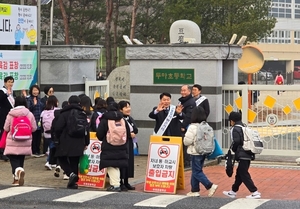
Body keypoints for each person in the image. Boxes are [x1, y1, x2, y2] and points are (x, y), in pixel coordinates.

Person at [54, 95, 90, 189]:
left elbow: (58, 128)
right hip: (79, 141)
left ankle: (71, 174)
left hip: (65, 140)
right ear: (79, 103)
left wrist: (57, 139)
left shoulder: (64, 114)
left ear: (69, 103)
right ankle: (73, 183)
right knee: (74, 160)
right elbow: (86, 130)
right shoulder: (82, 113)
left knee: (61, 158)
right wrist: (86, 142)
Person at [223, 111, 261, 199]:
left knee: (243, 174)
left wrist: (233, 149)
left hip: (243, 153)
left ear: (232, 121)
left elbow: (237, 141)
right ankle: (233, 191)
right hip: (248, 152)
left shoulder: (235, 128)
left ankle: (255, 192)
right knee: (239, 173)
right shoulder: (244, 126)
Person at [183, 106, 218, 197]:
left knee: (196, 171)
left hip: (195, 152)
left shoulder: (192, 127)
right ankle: (194, 190)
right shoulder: (207, 126)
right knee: (196, 170)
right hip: (204, 151)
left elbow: (187, 141)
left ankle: (210, 186)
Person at [96, 102, 130, 192]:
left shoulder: (105, 119)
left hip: (109, 145)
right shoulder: (122, 119)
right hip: (122, 146)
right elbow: (128, 134)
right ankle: (116, 184)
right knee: (117, 165)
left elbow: (99, 135)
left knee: (111, 165)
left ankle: (115, 185)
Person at [3, 96, 37, 186]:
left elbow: (6, 128)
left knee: (13, 159)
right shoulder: (29, 114)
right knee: (21, 159)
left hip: (13, 140)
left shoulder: (11, 114)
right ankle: (17, 176)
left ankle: (17, 173)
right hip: (25, 140)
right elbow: (34, 128)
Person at [119, 100, 138, 191]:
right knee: (122, 162)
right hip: (122, 143)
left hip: (129, 143)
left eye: (129, 107)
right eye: (126, 107)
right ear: (120, 109)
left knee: (129, 162)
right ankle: (120, 182)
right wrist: (128, 134)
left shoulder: (129, 118)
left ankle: (126, 181)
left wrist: (133, 132)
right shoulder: (119, 119)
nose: (128, 109)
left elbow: (135, 128)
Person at [178, 85, 196, 168]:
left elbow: (189, 115)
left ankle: (186, 162)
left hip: (186, 127)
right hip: (182, 126)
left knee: (185, 144)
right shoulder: (182, 101)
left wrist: (183, 126)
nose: (182, 92)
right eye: (182, 90)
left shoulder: (190, 102)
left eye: (184, 90)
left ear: (189, 91)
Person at [40, 95, 59, 170]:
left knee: (51, 147)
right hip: (54, 133)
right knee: (53, 148)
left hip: (46, 133)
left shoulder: (43, 112)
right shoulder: (57, 110)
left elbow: (41, 123)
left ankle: (53, 162)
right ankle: (48, 162)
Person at [25, 85, 45, 157]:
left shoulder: (39, 99)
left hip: (39, 120)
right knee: (33, 135)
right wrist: (34, 104)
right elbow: (28, 109)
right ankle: (33, 150)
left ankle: (38, 150)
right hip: (32, 119)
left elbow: (42, 108)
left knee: (38, 135)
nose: (35, 92)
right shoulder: (29, 99)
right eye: (34, 90)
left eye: (37, 90)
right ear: (31, 91)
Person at [0, 76, 15, 162]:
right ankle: (2, 152)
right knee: (3, 132)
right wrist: (7, 94)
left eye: (12, 82)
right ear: (5, 82)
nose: (11, 84)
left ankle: (8, 150)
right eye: (9, 82)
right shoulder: (2, 91)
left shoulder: (13, 92)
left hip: (11, 115)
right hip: (3, 116)